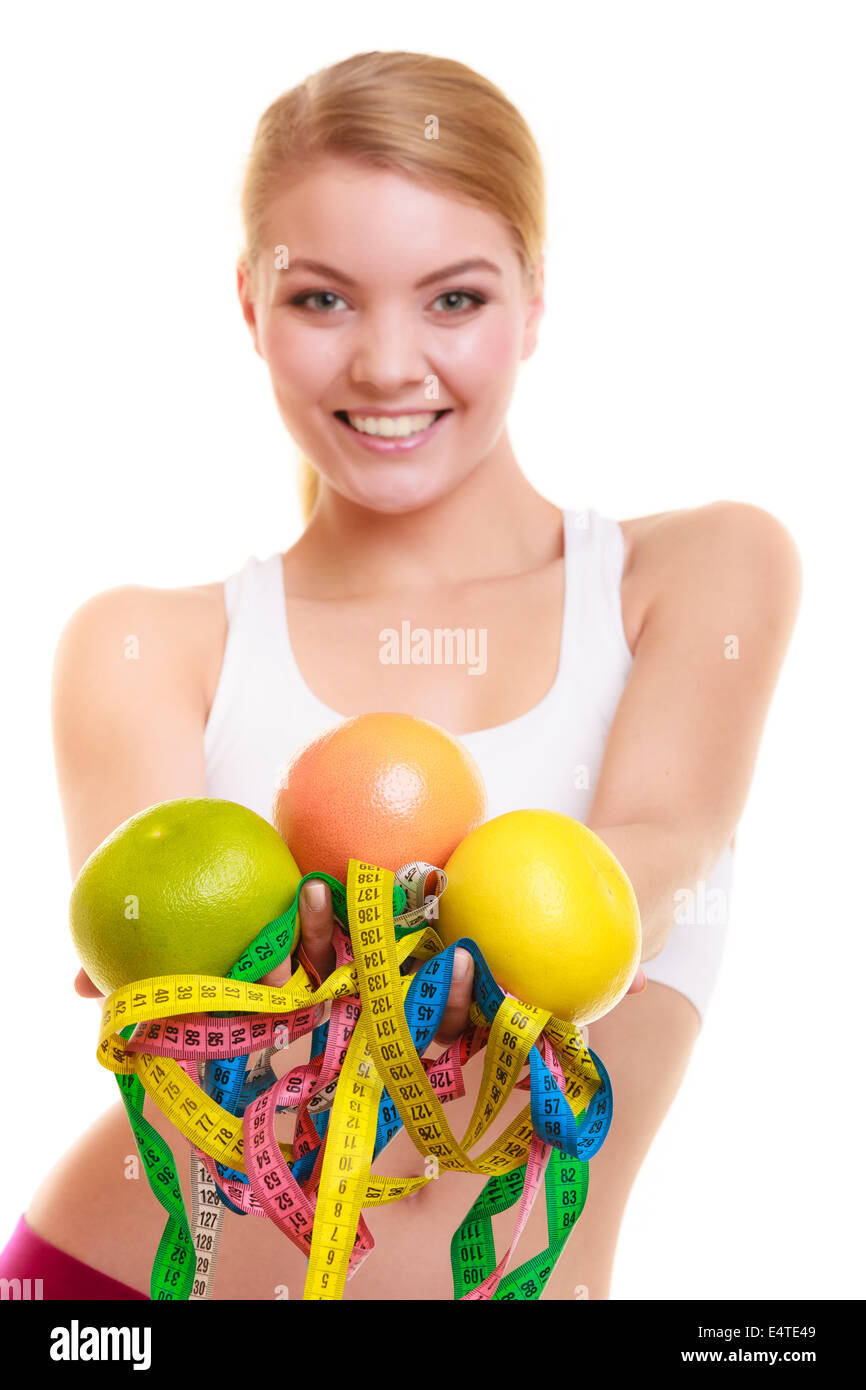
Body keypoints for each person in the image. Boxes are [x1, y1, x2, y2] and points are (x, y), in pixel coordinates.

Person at [1, 51, 801, 1301]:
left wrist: (435, 942)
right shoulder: (144, 647)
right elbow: (162, 987)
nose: (383, 365)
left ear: (535, 299)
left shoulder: (692, 575)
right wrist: (230, 990)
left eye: (453, 299)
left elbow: (656, 839)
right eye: (321, 299)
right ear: (249, 306)